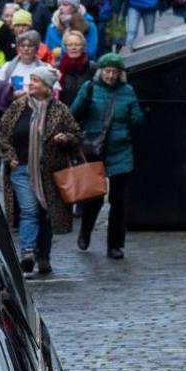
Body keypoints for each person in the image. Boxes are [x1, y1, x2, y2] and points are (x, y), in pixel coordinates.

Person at [1, 68, 82, 277]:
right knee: (29, 210)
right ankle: (27, 252)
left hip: (49, 172)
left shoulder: (60, 110)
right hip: (21, 168)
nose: (31, 84)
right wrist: (9, 156)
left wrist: (65, 138)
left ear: (46, 86)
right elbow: (3, 133)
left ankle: (43, 256)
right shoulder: (18, 107)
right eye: (31, 80)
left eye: (36, 81)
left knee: (45, 213)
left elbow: (76, 134)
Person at [68, 55, 141, 259]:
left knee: (119, 201)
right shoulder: (90, 88)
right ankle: (85, 231)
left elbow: (137, 118)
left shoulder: (127, 92)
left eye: (115, 72)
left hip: (121, 150)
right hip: (94, 149)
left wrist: (132, 118)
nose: (111, 75)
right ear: (101, 71)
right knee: (94, 197)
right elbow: (74, 113)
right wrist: (84, 99)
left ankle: (115, 245)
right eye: (108, 71)